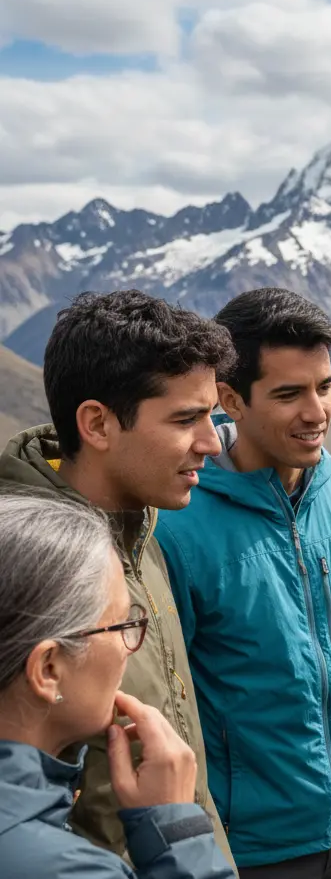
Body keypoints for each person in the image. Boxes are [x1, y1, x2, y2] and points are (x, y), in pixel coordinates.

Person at [154, 287, 331, 878]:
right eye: (289, 394)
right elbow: (169, 697)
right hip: (256, 847)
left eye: (325, 386)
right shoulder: (179, 524)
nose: (317, 412)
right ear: (230, 399)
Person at [0, 290, 237, 872]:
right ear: (98, 423)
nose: (212, 443)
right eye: (185, 418)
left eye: (212, 416)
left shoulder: (140, 524)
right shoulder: (22, 565)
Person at [0, 492, 236, 879]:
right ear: (48, 668)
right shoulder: (71, 870)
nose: (132, 648)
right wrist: (178, 837)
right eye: (123, 624)